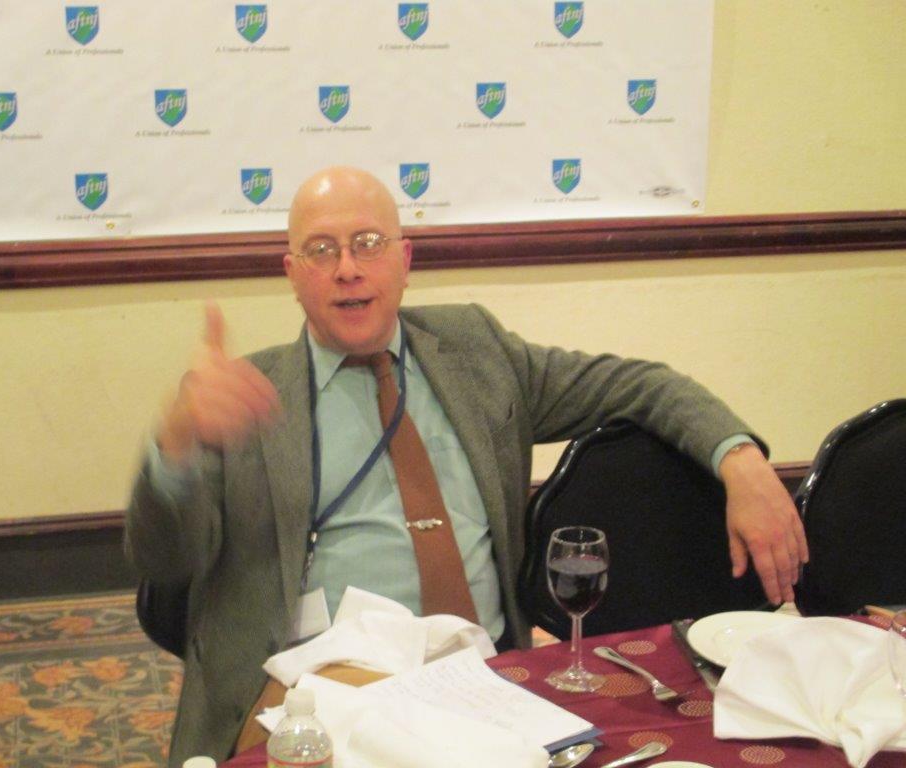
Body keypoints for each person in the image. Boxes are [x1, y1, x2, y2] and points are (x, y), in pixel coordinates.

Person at [125, 166, 808, 765]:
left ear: (404, 259)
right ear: (293, 273)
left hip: (485, 684)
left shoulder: (475, 352)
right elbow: (161, 558)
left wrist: (740, 461)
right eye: (322, 250)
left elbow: (639, 385)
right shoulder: (241, 396)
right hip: (316, 698)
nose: (348, 269)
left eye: (368, 243)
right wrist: (177, 445)